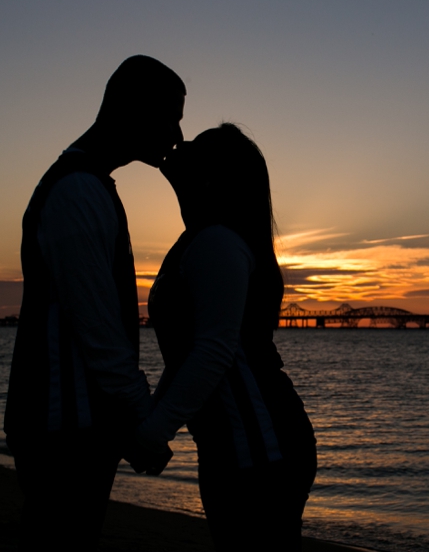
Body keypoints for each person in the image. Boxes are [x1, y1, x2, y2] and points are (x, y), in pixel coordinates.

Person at [4, 55, 184, 550]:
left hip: (70, 423)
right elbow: (99, 330)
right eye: (171, 116)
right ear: (133, 109)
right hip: (66, 426)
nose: (178, 134)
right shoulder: (79, 191)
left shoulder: (86, 184)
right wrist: (141, 421)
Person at [136, 123, 317, 550]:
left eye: (194, 147)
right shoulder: (201, 238)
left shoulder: (216, 241)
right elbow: (190, 357)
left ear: (211, 175)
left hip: (259, 446)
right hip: (238, 444)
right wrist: (149, 422)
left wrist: (154, 431)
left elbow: (214, 353)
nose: (181, 145)